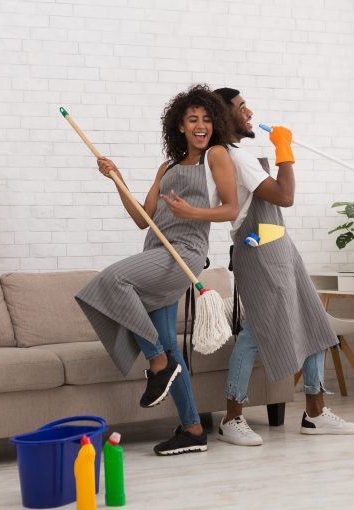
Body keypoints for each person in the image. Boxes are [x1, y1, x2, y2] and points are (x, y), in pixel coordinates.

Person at [76, 84, 238, 455]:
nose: (201, 125)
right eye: (192, 119)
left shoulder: (215, 156)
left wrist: (191, 213)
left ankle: (157, 364)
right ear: (179, 126)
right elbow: (142, 219)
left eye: (207, 119)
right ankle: (193, 429)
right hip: (157, 251)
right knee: (167, 342)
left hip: (186, 252)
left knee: (113, 279)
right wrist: (116, 179)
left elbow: (230, 208)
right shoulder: (166, 166)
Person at [212, 87, 354, 446]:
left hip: (280, 246)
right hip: (259, 250)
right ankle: (232, 418)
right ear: (224, 116)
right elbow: (285, 196)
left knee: (314, 321)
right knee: (254, 332)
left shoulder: (240, 154)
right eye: (242, 108)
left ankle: (315, 413)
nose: (249, 113)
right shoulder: (233, 157)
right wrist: (284, 151)